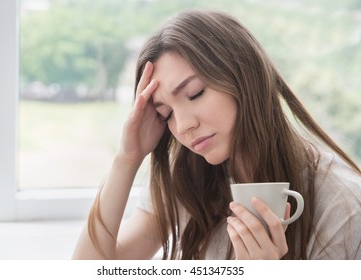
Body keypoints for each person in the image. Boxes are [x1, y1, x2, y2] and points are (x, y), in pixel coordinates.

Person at [72, 9, 361, 260]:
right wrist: (127, 159)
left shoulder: (342, 205)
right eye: (166, 113)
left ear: (245, 78)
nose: (183, 126)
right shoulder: (185, 178)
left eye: (195, 93)